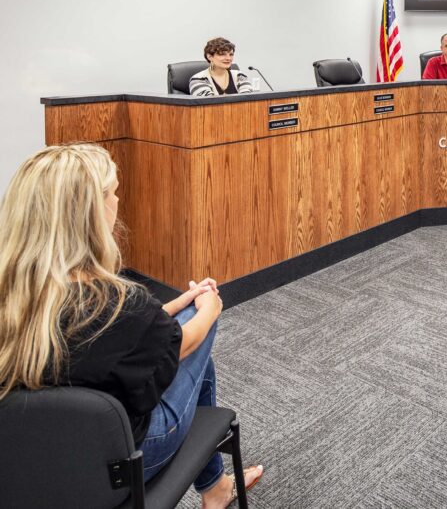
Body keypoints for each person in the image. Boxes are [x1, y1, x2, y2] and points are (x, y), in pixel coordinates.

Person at [0, 144, 263, 509]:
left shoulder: (15, 294)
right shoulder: (116, 304)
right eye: (111, 192)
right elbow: (180, 344)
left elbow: (131, 336)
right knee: (198, 347)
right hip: (121, 463)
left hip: (22, 467)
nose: (118, 199)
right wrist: (209, 306)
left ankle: (215, 485)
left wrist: (173, 306)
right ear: (89, 215)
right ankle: (216, 490)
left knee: (184, 344)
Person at [190, 37, 255, 96]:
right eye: (222, 54)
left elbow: (247, 100)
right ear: (210, 56)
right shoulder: (199, 79)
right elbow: (210, 105)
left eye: (231, 54)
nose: (228, 58)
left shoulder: (240, 76)